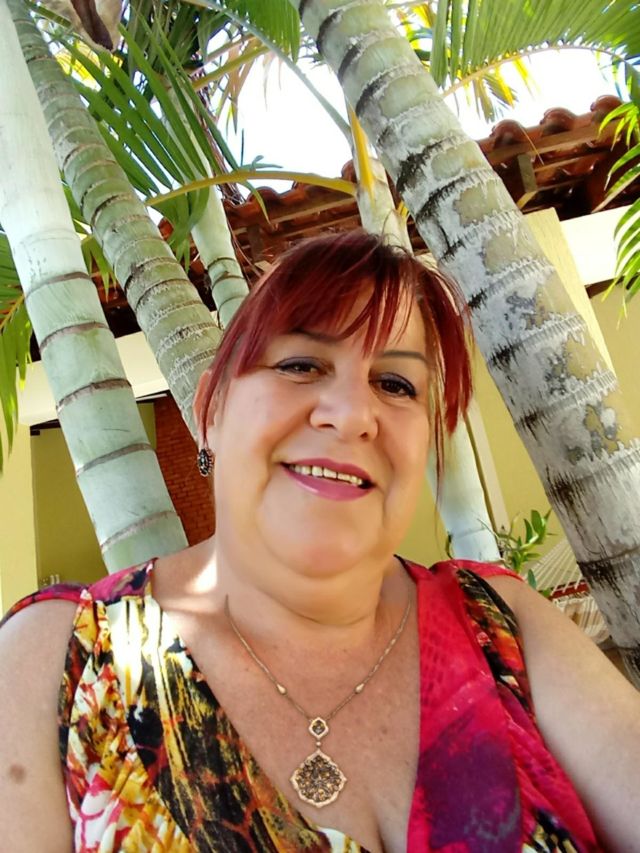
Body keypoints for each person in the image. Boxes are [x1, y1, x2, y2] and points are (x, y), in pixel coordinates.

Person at [1, 230, 639, 853]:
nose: (354, 415)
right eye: (301, 364)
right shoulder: (59, 660)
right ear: (211, 410)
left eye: (396, 385)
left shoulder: (501, 624)